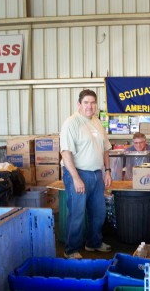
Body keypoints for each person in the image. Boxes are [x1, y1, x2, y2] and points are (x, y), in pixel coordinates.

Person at [60, 89, 112, 259]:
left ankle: (93, 243)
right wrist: (76, 178)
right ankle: (71, 249)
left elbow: (105, 149)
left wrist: (107, 171)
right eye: (86, 102)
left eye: (93, 103)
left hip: (97, 175)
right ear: (79, 104)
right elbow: (66, 153)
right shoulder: (71, 123)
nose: (90, 106)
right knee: (77, 213)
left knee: (99, 212)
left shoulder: (97, 122)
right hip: (78, 173)